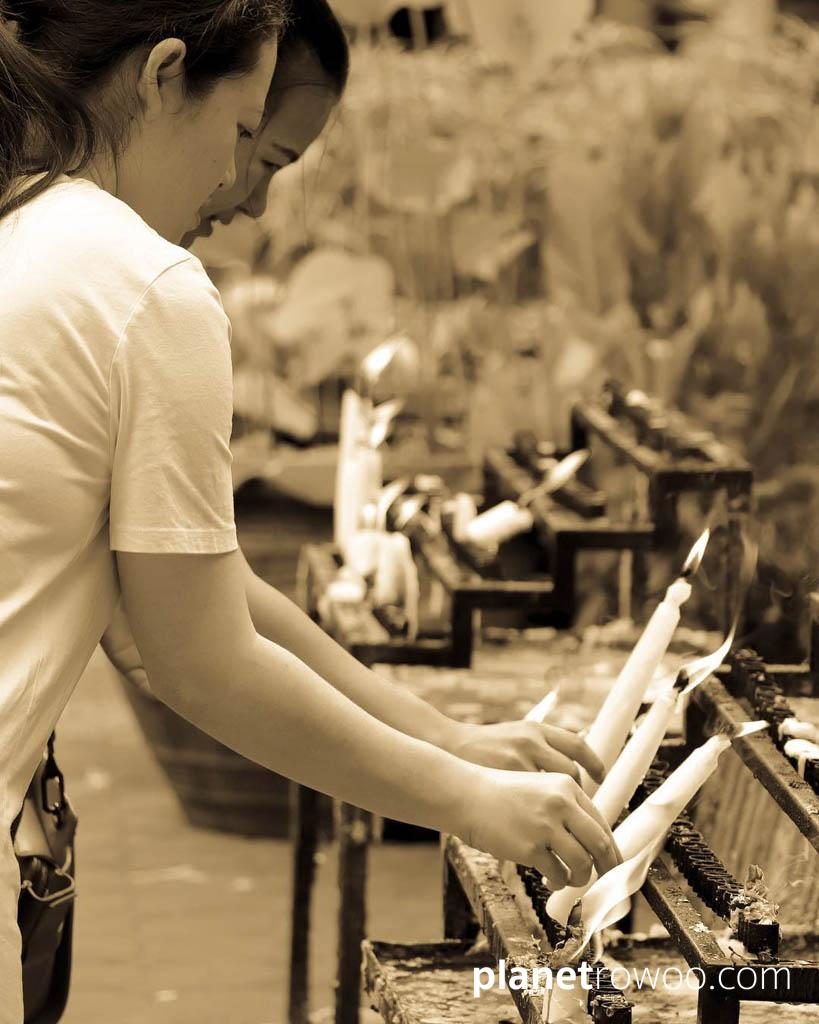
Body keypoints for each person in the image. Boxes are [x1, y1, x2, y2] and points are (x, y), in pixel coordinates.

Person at [0, 1, 619, 1019]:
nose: (238, 190)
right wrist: (472, 803)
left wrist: (447, 740)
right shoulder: (142, 284)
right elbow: (203, 663)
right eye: (245, 136)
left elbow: (192, 602)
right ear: (162, 75)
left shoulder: (24, 222)